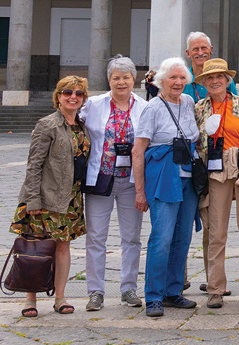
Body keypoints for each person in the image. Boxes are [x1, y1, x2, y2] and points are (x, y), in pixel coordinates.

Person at [11, 76, 91, 318]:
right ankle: (30, 298)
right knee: (36, 248)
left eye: (78, 94)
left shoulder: (83, 125)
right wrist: (33, 200)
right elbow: (33, 165)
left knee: (62, 247)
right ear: (58, 96)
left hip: (71, 197)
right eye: (67, 92)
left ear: (84, 99)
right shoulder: (47, 125)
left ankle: (60, 297)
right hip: (45, 196)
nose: (73, 97)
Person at [132, 58, 200, 317]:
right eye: (173, 77)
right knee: (162, 238)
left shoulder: (189, 103)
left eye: (182, 78)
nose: (178, 82)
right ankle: (153, 296)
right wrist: (140, 191)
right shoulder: (152, 108)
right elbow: (138, 152)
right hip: (163, 176)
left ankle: (173, 291)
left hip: (187, 177)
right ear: (161, 80)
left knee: (183, 237)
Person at [80, 56, 149, 311]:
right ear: (109, 80)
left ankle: (128, 288)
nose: (121, 82)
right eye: (116, 77)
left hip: (131, 182)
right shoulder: (94, 105)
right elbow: (71, 121)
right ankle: (95, 291)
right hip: (101, 180)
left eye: (126, 77)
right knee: (96, 238)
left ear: (134, 79)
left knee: (131, 238)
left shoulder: (144, 107)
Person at [189, 57, 239, 310]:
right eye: (209, 78)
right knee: (216, 232)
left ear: (227, 80)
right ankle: (215, 289)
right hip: (213, 168)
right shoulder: (199, 108)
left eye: (219, 77)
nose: (215, 81)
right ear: (203, 83)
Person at [185, 31, 236, 101]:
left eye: (204, 48)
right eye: (195, 49)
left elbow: (236, 104)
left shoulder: (224, 78)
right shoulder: (183, 80)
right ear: (188, 53)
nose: (200, 53)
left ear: (211, 50)